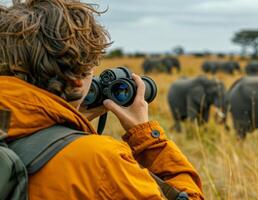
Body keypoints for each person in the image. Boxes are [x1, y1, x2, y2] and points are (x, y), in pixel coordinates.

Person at [0, 0, 203, 199]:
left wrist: (59, 127)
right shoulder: (100, 162)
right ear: (77, 81)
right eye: (91, 72)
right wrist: (148, 137)